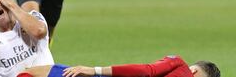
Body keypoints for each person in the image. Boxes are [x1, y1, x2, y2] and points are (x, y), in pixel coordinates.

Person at [13, 55, 220, 77]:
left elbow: (146, 71)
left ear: (194, 70)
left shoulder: (180, 65)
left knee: (30, 73)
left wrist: (93, 70)